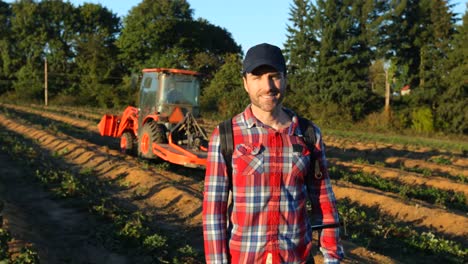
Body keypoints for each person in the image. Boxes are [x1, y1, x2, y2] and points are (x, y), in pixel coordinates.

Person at [202, 43, 344, 264]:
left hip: (296, 258)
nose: (267, 86)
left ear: (285, 79)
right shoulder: (225, 136)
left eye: (274, 76)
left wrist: (332, 256)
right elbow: (213, 213)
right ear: (245, 83)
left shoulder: (308, 134)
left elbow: (324, 200)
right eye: (257, 77)